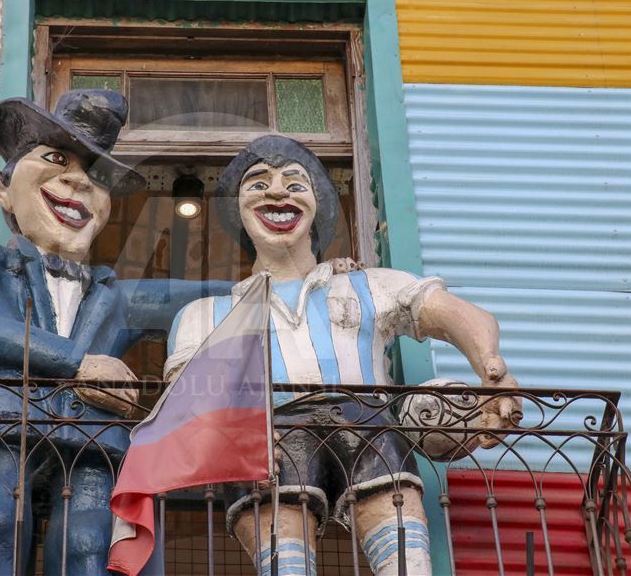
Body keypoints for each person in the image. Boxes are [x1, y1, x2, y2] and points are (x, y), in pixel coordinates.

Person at [165, 135, 520, 575]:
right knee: (285, 564)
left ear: (317, 205)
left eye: (295, 184)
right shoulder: (205, 314)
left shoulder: (371, 284)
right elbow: (183, 398)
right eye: (257, 184)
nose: (276, 192)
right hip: (271, 440)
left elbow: (454, 313)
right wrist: (232, 434)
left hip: (367, 425)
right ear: (239, 210)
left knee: (407, 562)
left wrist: (491, 367)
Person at [0, 90, 229, 575]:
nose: (78, 180)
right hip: (8, 424)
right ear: (4, 189)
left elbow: (209, 296)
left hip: (94, 435)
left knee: (86, 541)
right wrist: (80, 364)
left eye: (96, 176)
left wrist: (291, 279)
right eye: (56, 160)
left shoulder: (115, 295)